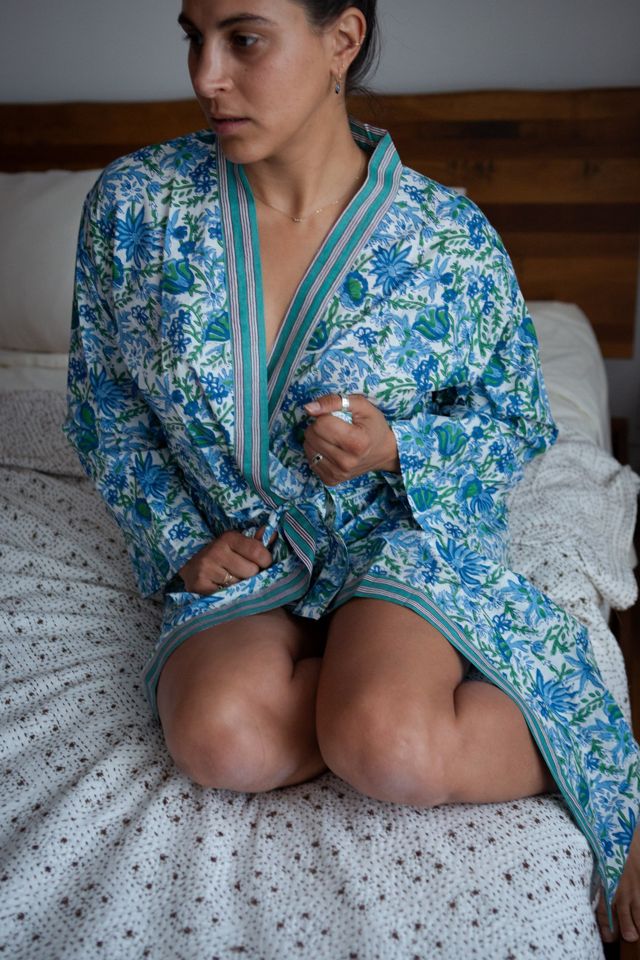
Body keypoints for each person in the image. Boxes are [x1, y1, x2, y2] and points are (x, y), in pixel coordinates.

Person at [62, 0, 640, 945]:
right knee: (219, 738)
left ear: (343, 39)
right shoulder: (136, 209)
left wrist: (396, 447)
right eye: (194, 37)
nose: (207, 75)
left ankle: (568, 756)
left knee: (391, 747)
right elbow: (104, 403)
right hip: (246, 548)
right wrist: (180, 543)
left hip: (394, 541)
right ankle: (353, 692)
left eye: (244, 39)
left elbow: (517, 431)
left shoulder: (447, 241)